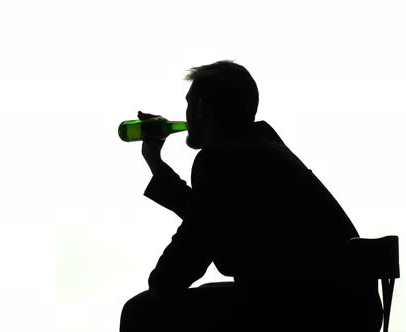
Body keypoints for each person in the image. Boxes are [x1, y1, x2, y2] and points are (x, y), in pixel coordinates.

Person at [120, 60, 383, 332]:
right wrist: (157, 164)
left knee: (142, 312)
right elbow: (211, 217)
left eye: (188, 104)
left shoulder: (220, 158)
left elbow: (188, 255)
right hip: (346, 306)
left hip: (308, 308)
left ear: (200, 108)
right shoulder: (260, 150)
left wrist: (159, 282)